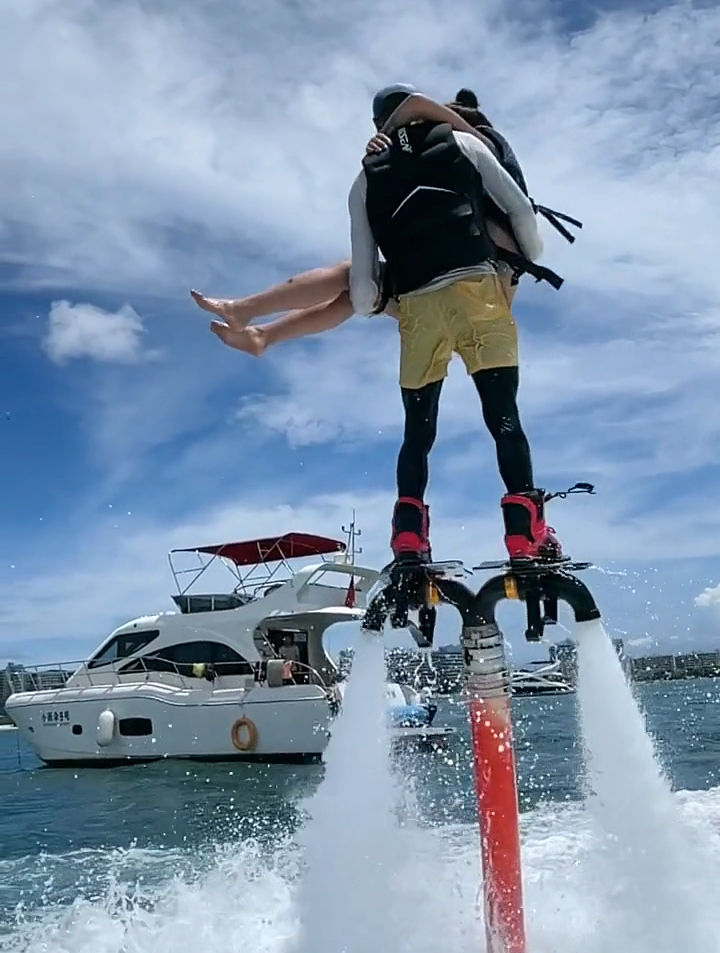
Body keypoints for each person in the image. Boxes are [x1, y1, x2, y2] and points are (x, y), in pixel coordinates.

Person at [348, 83, 563, 564]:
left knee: (417, 433)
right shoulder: (461, 142)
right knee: (503, 417)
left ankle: (409, 535)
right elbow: (521, 211)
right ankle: (524, 534)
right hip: (479, 293)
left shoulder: (363, 181)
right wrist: (524, 262)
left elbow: (362, 294)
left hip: (419, 313)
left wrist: (390, 307)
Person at [189, 89, 572, 356]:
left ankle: (251, 319)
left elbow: (415, 104)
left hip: (483, 286)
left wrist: (392, 135)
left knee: (349, 275)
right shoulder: (458, 164)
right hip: (468, 281)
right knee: (356, 285)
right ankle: (259, 333)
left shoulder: (475, 143)